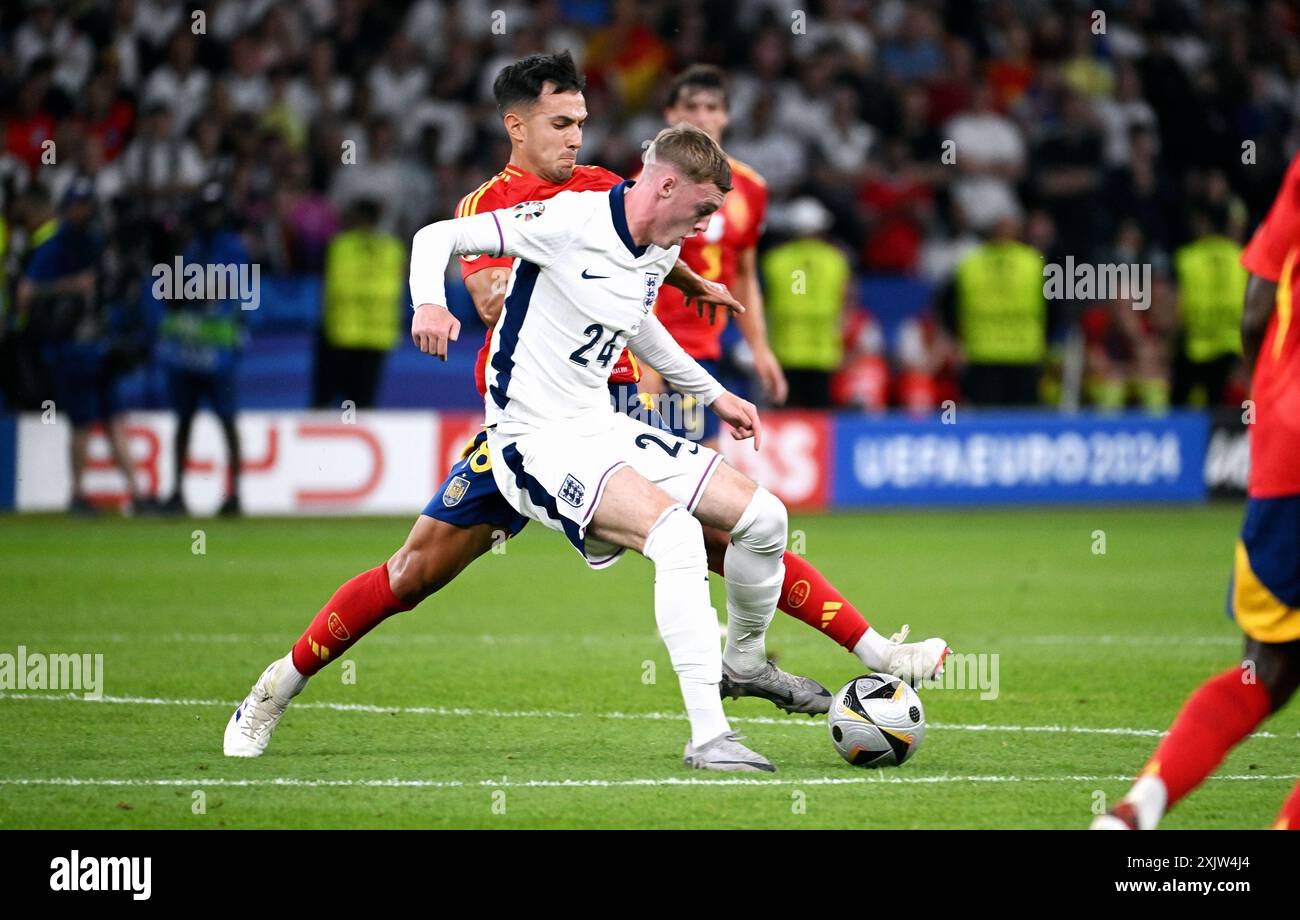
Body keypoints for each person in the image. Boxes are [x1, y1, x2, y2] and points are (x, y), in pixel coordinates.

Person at [222, 53, 947, 762]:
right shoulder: (495, 207)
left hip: (615, 407)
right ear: (517, 127)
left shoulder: (605, 187)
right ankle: (270, 692)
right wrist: (463, 297)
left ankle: (854, 653)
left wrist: (687, 285)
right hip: (526, 427)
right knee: (411, 575)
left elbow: (645, 249)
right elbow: (490, 291)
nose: (575, 137)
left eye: (581, 122)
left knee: (738, 533)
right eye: (561, 123)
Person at [406, 123, 822, 770]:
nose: (706, 229)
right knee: (678, 537)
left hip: (597, 423)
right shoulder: (567, 220)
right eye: (703, 210)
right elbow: (436, 235)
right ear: (664, 185)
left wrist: (714, 396)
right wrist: (430, 304)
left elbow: (642, 327)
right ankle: (710, 738)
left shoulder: (657, 243)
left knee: (766, 518)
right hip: (532, 436)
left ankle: (743, 663)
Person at [1091, 152, 1300, 830]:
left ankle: (1135, 810)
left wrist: (1273, 394)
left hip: (1285, 450)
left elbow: (1255, 311)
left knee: (1262, 671)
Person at [637, 64, 788, 445]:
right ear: (670, 115)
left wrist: (760, 348)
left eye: (711, 107)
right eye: (691, 106)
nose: (702, 117)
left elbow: (745, 275)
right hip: (646, 348)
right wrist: (642, 355)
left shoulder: (751, 189)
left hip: (702, 351)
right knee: (645, 469)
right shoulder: (646, 184)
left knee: (703, 468)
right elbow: (632, 268)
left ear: (726, 115)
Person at [14, 179, 148, 515]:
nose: (86, 211)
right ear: (69, 206)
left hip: (100, 345)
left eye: (89, 204)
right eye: (81, 204)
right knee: (82, 424)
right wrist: (70, 286)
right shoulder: (56, 247)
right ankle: (76, 494)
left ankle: (137, 494)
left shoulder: (97, 245)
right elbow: (26, 294)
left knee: (115, 418)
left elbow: (112, 290)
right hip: (72, 349)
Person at [158, 182, 248, 516]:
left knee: (226, 421)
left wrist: (184, 287)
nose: (210, 217)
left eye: (215, 210)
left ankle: (235, 494)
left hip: (219, 354)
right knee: (184, 422)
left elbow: (220, 288)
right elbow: (171, 292)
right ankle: (178, 491)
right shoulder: (191, 246)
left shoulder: (231, 247)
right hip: (187, 352)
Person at [312, 198, 405, 409]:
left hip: (343, 334)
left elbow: (338, 287)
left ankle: (322, 440)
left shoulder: (341, 246)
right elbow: (390, 290)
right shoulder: (393, 249)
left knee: (327, 403)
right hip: (374, 336)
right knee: (361, 405)